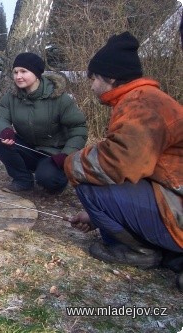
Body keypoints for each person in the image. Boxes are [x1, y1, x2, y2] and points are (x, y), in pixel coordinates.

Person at [63, 31, 183, 290]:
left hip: (177, 209)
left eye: (93, 78)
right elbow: (142, 167)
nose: (92, 85)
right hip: (171, 196)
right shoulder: (142, 99)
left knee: (89, 184)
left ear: (111, 77)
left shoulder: (141, 105)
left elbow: (118, 162)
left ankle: (140, 252)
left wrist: (69, 163)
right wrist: (97, 217)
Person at [0, 52, 87, 194]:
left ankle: (59, 178)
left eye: (24, 71)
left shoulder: (60, 98)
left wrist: (66, 155)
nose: (18, 76)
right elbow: (0, 118)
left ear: (36, 73)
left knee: (48, 179)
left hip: (54, 154)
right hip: (28, 147)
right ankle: (23, 180)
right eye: (15, 72)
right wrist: (5, 130)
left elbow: (79, 128)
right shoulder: (10, 97)